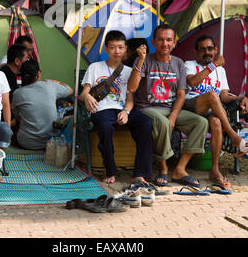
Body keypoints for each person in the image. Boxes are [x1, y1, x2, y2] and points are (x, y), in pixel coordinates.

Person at [128, 24, 209, 187]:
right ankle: (163, 168)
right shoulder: (144, 59)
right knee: (163, 123)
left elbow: (181, 95)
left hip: (170, 109)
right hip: (147, 108)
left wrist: (173, 115)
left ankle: (180, 169)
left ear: (174, 42)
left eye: (169, 40)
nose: (164, 44)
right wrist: (141, 60)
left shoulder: (178, 63)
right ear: (153, 41)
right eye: (160, 39)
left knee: (201, 123)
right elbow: (131, 88)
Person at [80, 30, 153, 185]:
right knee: (106, 127)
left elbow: (129, 99)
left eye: (120, 47)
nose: (117, 51)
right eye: (112, 47)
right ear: (106, 49)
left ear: (126, 48)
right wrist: (86, 96)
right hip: (100, 110)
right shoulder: (95, 67)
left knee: (145, 123)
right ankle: (110, 170)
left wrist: (126, 112)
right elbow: (85, 92)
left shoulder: (128, 72)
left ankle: (139, 173)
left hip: (120, 109)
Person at [184, 35, 248, 188]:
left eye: (210, 48)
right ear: (196, 51)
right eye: (203, 49)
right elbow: (192, 82)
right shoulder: (189, 64)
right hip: (192, 105)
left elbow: (224, 97)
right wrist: (213, 65)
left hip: (211, 110)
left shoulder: (221, 70)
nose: (207, 52)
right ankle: (234, 135)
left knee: (216, 122)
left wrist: (242, 98)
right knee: (212, 95)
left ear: (216, 49)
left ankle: (214, 170)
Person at [11, 59, 73, 150]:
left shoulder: (17, 93)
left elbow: (18, 117)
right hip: (50, 142)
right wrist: (55, 81)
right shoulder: (50, 85)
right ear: (38, 73)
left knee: (14, 125)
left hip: (27, 143)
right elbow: (70, 90)